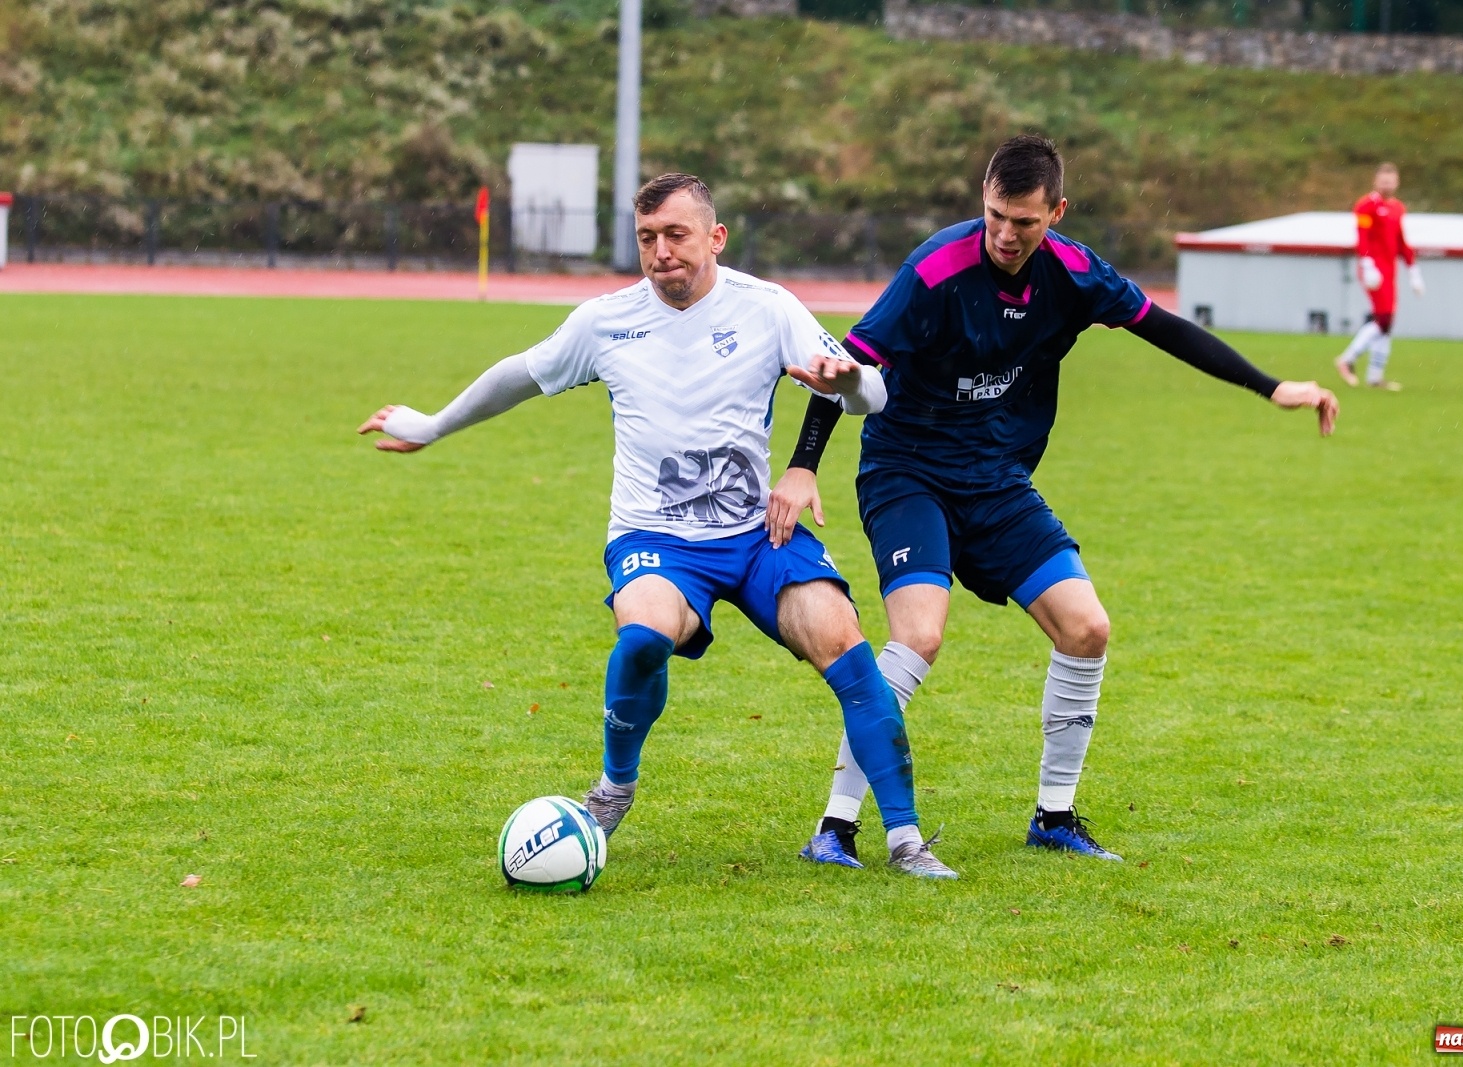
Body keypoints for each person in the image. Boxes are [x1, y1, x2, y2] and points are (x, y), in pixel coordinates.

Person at [358, 173, 956, 878]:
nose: (661, 252)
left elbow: (871, 391)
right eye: (647, 238)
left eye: (676, 234)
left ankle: (906, 839)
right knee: (642, 636)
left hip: (755, 534)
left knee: (846, 646)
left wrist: (845, 380)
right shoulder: (605, 321)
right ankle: (615, 787)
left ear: (716, 237)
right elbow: (519, 375)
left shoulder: (767, 307)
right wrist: (432, 425)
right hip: (654, 539)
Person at [765, 136, 1339, 868]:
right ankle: (835, 826)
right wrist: (803, 466)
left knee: (1086, 627)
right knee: (920, 636)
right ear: (983, 198)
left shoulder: (1074, 271)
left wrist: (1271, 386)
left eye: (1025, 222)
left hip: (996, 478)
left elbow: (1164, 329)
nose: (1006, 235)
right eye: (996, 216)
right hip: (908, 472)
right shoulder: (934, 270)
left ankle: (1055, 816)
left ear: (1056, 213)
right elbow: (845, 367)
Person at [1335, 162, 1424, 391]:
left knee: (1387, 322)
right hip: (1374, 268)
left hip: (1390, 268)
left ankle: (1375, 376)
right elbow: (1362, 236)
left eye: (1391, 181)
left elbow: (1401, 241)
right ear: (1375, 181)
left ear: (1397, 182)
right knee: (1383, 319)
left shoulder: (1397, 208)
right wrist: (1367, 263)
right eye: (1383, 181)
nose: (1387, 185)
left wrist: (1413, 270)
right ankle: (1347, 359)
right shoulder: (1366, 206)